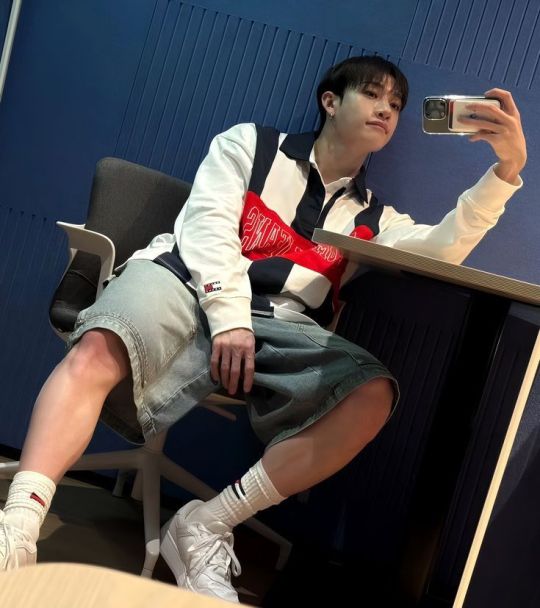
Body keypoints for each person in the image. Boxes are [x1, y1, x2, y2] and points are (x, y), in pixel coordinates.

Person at [0, 56, 526, 602]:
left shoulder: (374, 216)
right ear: (330, 101)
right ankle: (18, 526)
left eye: (395, 104)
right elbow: (206, 229)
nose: (386, 110)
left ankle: (205, 526)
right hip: (184, 280)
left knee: (370, 394)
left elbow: (441, 250)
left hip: (277, 320)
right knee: (100, 343)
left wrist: (505, 171)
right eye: (373, 94)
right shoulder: (250, 145)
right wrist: (228, 319)